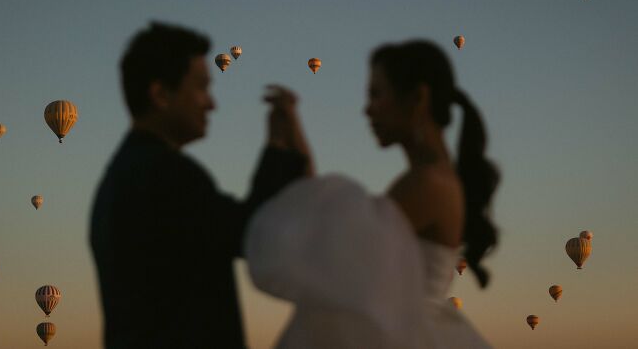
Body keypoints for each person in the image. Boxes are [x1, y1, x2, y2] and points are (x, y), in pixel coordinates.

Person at [245, 40, 499, 348]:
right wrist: (294, 131)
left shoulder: (428, 183)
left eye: (376, 94)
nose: (367, 109)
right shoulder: (433, 179)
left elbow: (332, 247)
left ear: (417, 98)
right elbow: (337, 237)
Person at [89, 23, 312, 349]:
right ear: (161, 94)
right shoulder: (166, 174)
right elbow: (252, 231)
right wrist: (279, 148)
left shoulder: (118, 179)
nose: (212, 104)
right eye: (202, 88)